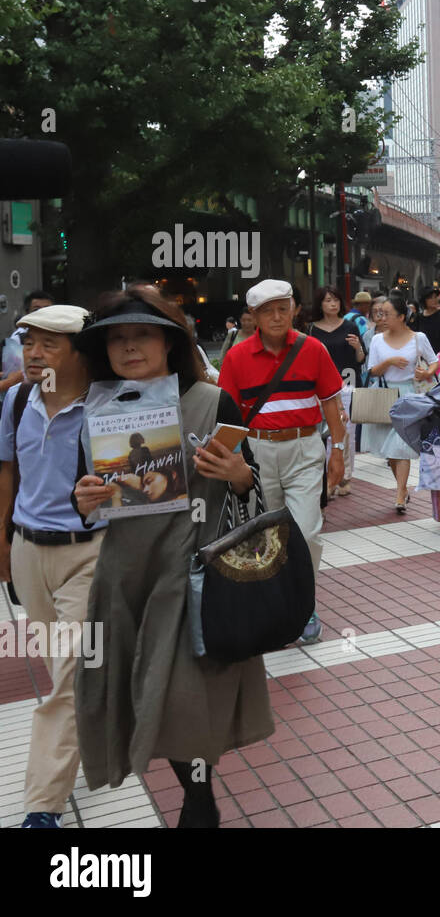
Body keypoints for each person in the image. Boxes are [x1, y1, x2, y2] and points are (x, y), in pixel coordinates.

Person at [71, 286, 272, 828]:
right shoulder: (97, 410)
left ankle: (199, 800)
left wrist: (238, 475)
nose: (130, 348)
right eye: (117, 339)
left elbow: (252, 494)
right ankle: (198, 798)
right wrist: (83, 501)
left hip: (192, 579)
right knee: (136, 698)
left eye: (142, 335)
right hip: (123, 581)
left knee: (186, 700)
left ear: (168, 342)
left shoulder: (211, 402)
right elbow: (84, 495)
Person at [0, 306, 103, 829]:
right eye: (29, 343)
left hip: (87, 553)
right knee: (66, 669)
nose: (34, 354)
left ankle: (42, 808)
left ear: (80, 352)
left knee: (68, 677)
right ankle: (88, 730)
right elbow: (7, 470)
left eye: (49, 344)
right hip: (26, 550)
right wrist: (3, 542)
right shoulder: (18, 400)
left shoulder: (107, 406)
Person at [217, 279, 346, 645]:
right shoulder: (237, 358)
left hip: (305, 449)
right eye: (267, 310)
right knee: (266, 538)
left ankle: (304, 605)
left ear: (294, 309)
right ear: (253, 316)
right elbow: (227, 417)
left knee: (305, 532)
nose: (277, 316)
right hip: (256, 453)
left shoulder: (313, 349)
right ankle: (274, 606)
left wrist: (337, 451)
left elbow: (331, 405)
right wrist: (231, 462)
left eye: (283, 308)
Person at [361, 295, 436, 512]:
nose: (381, 318)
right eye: (379, 313)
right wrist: (389, 361)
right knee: (391, 451)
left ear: (402, 316)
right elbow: (372, 371)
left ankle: (401, 493)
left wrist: (426, 373)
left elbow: (434, 362)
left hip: (410, 395)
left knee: (402, 446)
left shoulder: (418, 338)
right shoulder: (376, 340)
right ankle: (401, 488)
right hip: (385, 394)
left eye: (386, 314)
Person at [309, 286, 366, 497]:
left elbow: (361, 359)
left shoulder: (350, 326)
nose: (333, 304)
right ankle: (326, 476)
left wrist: (358, 346)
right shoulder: (312, 329)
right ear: (320, 304)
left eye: (336, 300)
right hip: (318, 388)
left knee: (345, 433)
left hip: (347, 386)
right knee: (321, 434)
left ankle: (344, 477)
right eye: (328, 300)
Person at [2, 290, 55, 396]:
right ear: (27, 313)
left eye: (48, 310)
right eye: (37, 310)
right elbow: (12, 378)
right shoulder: (17, 340)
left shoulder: (60, 337)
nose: (43, 314)